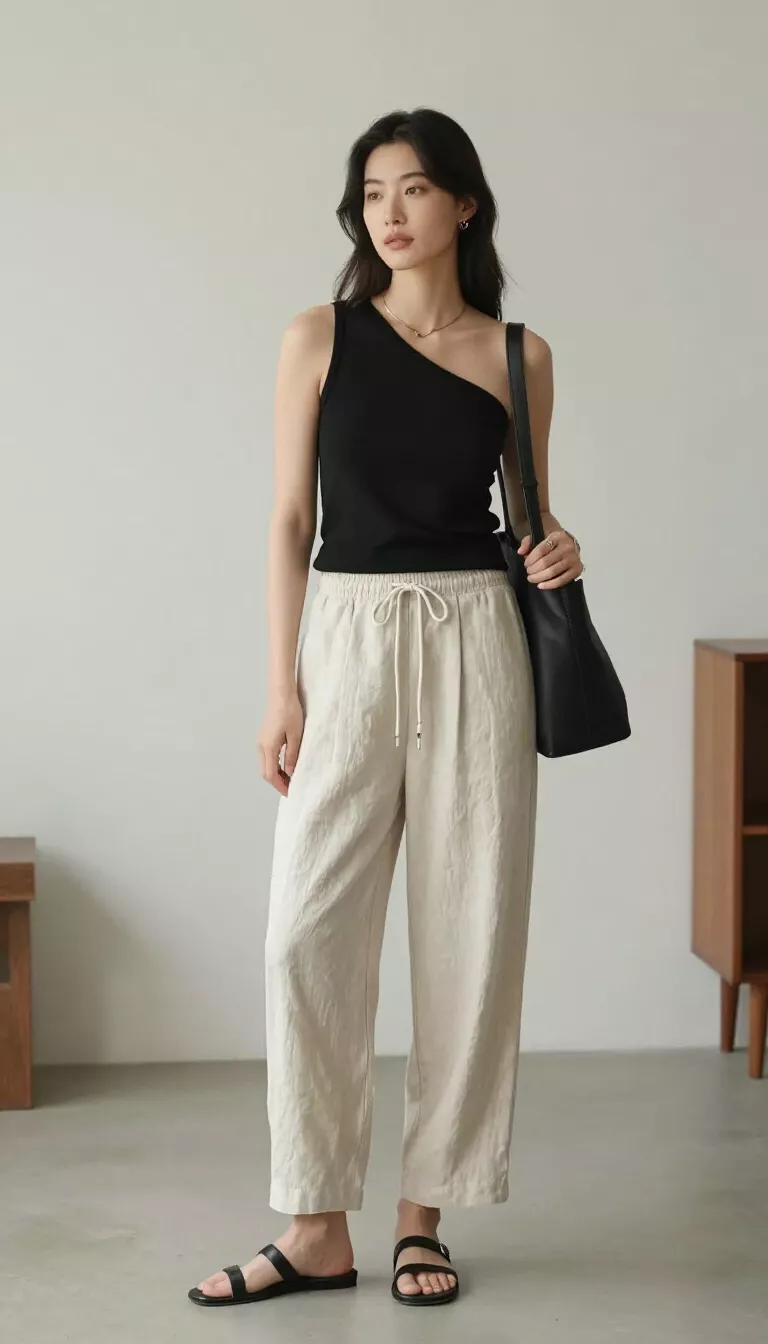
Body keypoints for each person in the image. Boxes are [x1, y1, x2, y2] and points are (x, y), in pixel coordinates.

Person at [189, 106, 584, 1311]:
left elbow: (530, 522)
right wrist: (279, 684)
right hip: (347, 636)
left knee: (470, 931)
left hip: (477, 635)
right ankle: (315, 1226)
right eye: (372, 194)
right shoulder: (321, 336)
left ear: (466, 204)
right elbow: (287, 522)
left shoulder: (520, 355)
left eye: (415, 190)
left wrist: (557, 547)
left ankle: (424, 1218)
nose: (392, 213)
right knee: (305, 936)